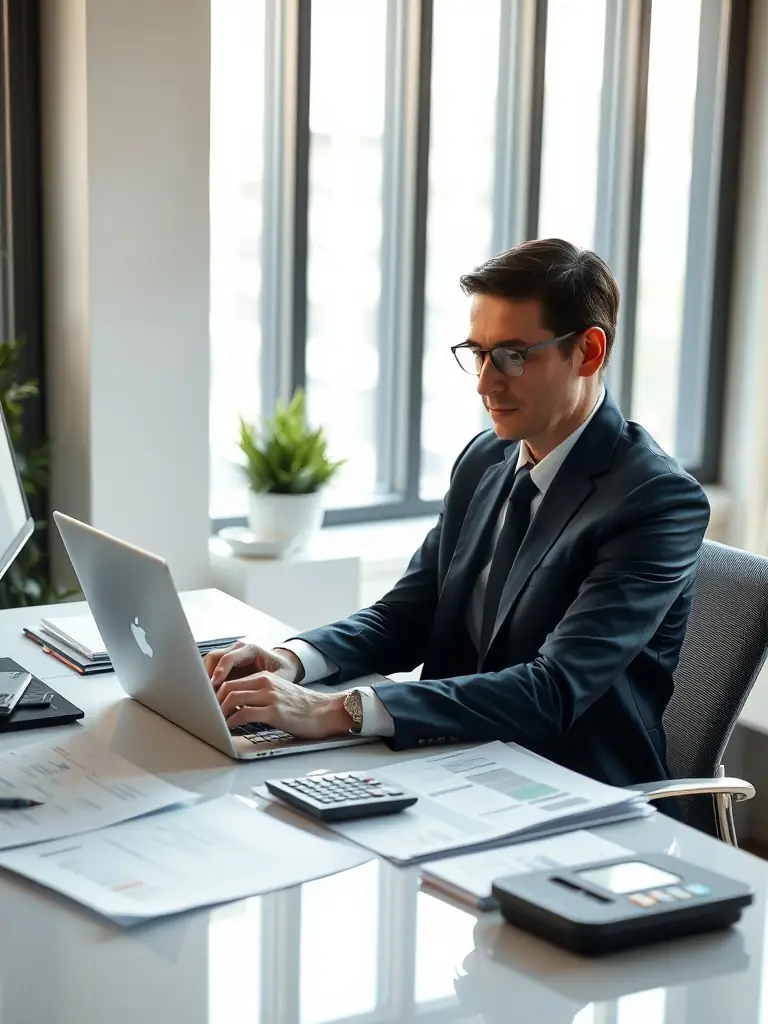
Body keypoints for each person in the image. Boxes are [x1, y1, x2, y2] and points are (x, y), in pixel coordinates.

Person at [205, 238, 710, 788]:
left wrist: (335, 711)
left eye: (513, 356)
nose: (485, 383)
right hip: (450, 763)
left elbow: (554, 690)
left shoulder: (654, 498)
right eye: (479, 353)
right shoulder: (485, 459)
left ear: (587, 351)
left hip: (572, 789)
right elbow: (408, 615)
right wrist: (292, 661)